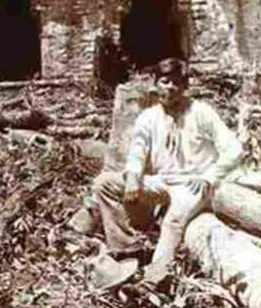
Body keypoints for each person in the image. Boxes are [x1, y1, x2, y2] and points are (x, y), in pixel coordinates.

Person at [91, 57, 243, 290]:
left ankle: (154, 280)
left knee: (173, 221)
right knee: (105, 183)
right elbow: (137, 152)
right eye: (164, 82)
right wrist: (133, 178)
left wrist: (210, 177)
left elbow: (234, 149)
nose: (170, 88)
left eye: (176, 83)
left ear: (184, 88)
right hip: (162, 181)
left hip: (194, 183)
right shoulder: (148, 117)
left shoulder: (201, 112)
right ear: (155, 83)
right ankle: (128, 251)